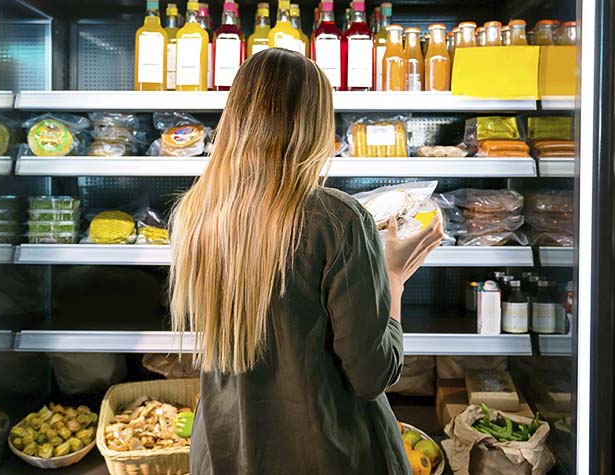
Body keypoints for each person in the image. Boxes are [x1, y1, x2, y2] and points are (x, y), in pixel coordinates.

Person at [170, 48, 444, 475]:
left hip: (227, 450)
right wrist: (393, 276)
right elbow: (373, 375)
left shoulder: (195, 213)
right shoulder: (336, 218)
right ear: (314, 124)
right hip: (326, 453)